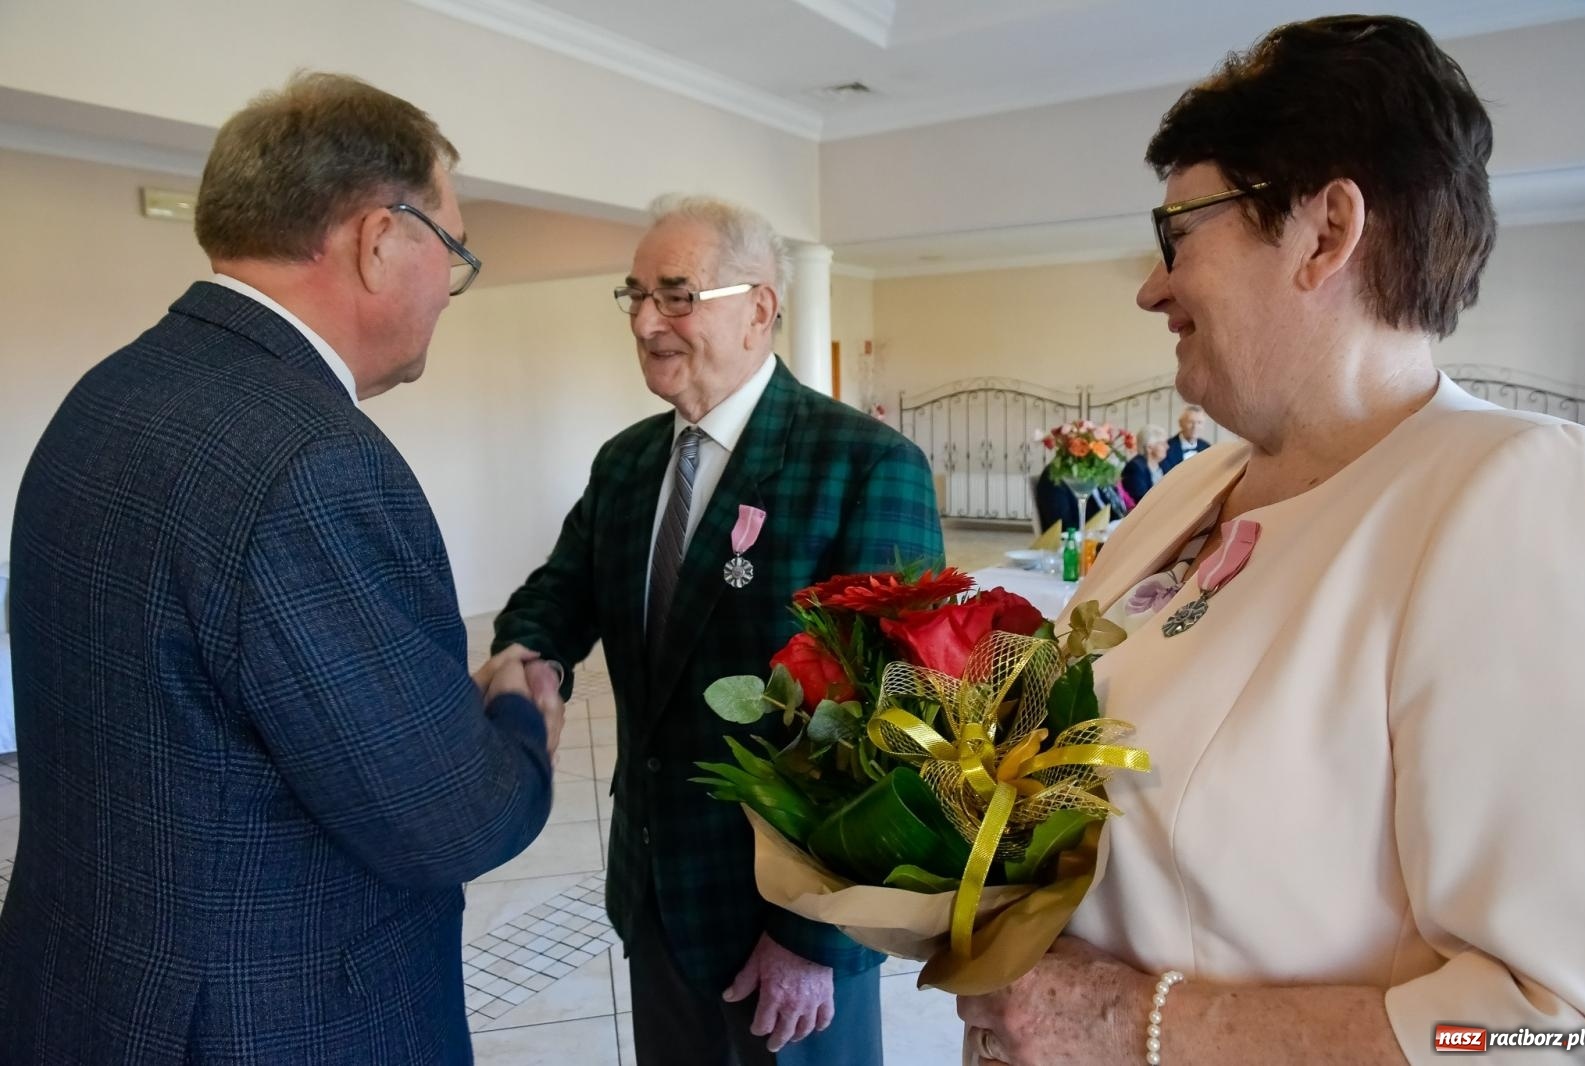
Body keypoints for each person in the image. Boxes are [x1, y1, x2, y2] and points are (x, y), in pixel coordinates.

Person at [958, 16, 1585, 1065]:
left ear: (1324, 230)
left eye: (1181, 233)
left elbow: (1548, 1032)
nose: (1151, 287)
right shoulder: (1196, 486)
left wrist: (1132, 1026)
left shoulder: (1510, 494)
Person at [0, 73, 563, 1065]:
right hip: (269, 1019)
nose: (448, 285)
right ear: (380, 238)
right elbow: (447, 820)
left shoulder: (106, 393)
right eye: (454, 249)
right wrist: (516, 711)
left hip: (84, 989)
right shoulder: (312, 462)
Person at [493, 194, 943, 1065]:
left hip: (787, 923)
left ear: (761, 310)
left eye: (676, 294)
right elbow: (560, 592)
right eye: (633, 296)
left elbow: (897, 726)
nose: (645, 320)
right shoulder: (627, 463)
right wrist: (530, 657)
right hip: (657, 890)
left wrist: (814, 938)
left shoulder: (862, 465)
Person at [1119, 426, 1170, 505]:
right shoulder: (1135, 468)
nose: (1167, 447)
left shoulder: (1164, 465)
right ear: (1149, 448)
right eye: (1163, 444)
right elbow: (1141, 500)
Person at [1159, 405, 1211, 471]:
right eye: (1190, 422)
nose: (1195, 427)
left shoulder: (1207, 448)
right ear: (1180, 423)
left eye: (1199, 422)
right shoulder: (1166, 448)